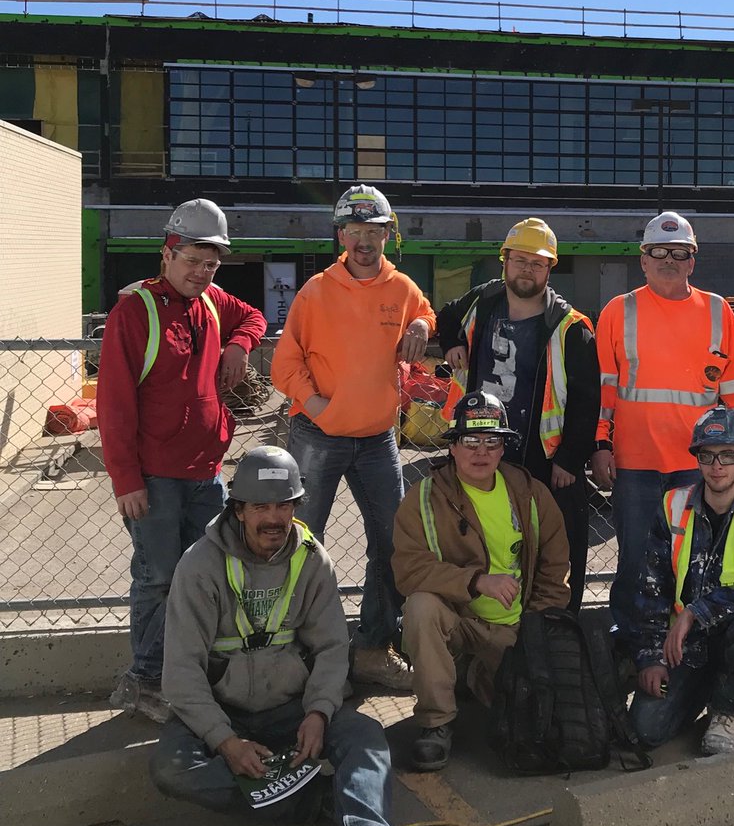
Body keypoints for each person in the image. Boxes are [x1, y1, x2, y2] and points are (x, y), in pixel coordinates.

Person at [151, 446, 451, 826]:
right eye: (260, 507)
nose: (273, 518)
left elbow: (332, 649)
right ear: (238, 510)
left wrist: (319, 713)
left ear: (296, 506)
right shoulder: (200, 566)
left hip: (290, 709)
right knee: (172, 769)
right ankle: (322, 800)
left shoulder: (312, 560)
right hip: (223, 711)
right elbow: (180, 673)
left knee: (366, 737)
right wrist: (223, 740)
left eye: (283, 505)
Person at [97, 198, 266, 721]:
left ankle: (188, 673)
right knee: (158, 578)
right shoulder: (135, 311)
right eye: (193, 258)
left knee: (204, 578)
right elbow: (114, 406)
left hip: (206, 474)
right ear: (167, 253)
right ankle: (145, 680)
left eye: (211, 263)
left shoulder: (212, 301)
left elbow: (255, 315)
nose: (201, 271)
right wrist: (127, 480)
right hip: (154, 478)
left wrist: (239, 345)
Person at [272, 184, 435, 691]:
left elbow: (425, 312)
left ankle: (372, 647)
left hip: (378, 440)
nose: (364, 241)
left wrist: (424, 328)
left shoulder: (402, 289)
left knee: (392, 543)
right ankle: (294, 653)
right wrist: (317, 404)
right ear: (341, 234)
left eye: (375, 231)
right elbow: (284, 363)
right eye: (355, 230)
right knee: (297, 544)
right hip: (318, 436)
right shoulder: (317, 291)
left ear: (389, 234)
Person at [592, 212, 734, 649]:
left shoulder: (719, 311)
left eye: (679, 253)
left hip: (699, 468)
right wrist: (600, 445)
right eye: (658, 252)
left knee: (695, 563)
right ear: (642, 261)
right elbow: (604, 388)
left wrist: (733, 455)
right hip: (635, 463)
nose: (668, 260)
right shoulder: (618, 311)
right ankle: (630, 643)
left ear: (692, 261)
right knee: (633, 561)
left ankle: (688, 645)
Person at [392, 391, 569, 771]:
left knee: (536, 723)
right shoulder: (423, 498)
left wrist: (534, 632)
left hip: (513, 631)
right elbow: (408, 569)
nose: (481, 451)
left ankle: (474, 677)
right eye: (470, 441)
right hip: (456, 624)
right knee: (420, 608)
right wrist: (476, 582)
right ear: (453, 446)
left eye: (492, 441)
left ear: (504, 448)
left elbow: (556, 571)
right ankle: (436, 723)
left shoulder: (531, 494)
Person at [437, 217, 600, 610]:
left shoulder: (570, 327)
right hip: (482, 453)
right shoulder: (483, 300)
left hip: (544, 462)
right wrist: (452, 341)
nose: (527, 269)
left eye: (538, 263)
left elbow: (586, 399)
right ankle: (487, 621)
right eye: (520, 260)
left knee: (556, 549)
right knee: (481, 540)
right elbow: (445, 312)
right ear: (504, 261)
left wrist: (570, 460)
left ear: (550, 268)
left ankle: (558, 625)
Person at [628, 408, 734, 755]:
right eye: (708, 455)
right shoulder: (672, 506)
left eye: (728, 455)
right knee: (645, 730)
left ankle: (731, 710)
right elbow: (652, 587)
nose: (717, 465)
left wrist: (696, 612)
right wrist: (652, 658)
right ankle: (708, 688)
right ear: (697, 460)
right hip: (684, 648)